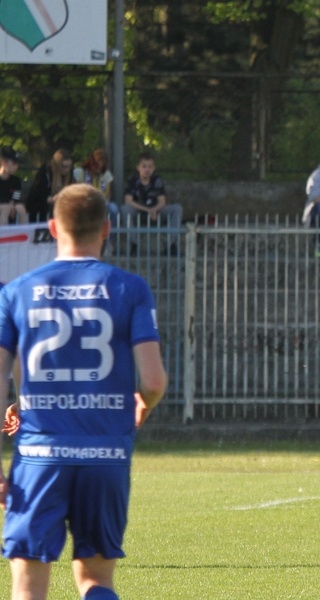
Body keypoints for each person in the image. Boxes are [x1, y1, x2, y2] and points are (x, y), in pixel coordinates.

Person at [0, 183, 167, 600]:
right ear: (107, 229)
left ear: (53, 228)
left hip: (39, 458)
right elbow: (153, 381)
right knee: (95, 581)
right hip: (105, 456)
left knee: (29, 586)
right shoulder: (130, 288)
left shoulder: (16, 292)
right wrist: (141, 405)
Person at [122, 152, 183, 254]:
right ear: (138, 167)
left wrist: (154, 209)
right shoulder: (133, 179)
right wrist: (148, 210)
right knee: (124, 209)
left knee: (177, 208)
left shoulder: (157, 180)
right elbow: (128, 201)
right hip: (139, 213)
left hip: (156, 213)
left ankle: (171, 245)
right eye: (144, 166)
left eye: (150, 167)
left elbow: (162, 202)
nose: (147, 170)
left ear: (154, 168)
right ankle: (134, 244)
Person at [25, 149, 74, 223]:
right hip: (41, 204)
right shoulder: (45, 172)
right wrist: (50, 199)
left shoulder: (69, 174)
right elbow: (35, 195)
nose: (67, 170)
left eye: (69, 167)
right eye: (64, 166)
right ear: (58, 165)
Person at [74, 149, 118, 223]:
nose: (98, 170)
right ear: (91, 163)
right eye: (97, 166)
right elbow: (76, 191)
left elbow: (108, 195)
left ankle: (110, 233)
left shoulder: (106, 174)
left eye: (101, 167)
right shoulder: (80, 172)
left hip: (100, 202)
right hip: (83, 201)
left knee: (113, 208)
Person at [0, 147, 26, 226]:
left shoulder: (16, 181)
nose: (16, 167)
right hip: (2, 206)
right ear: (3, 163)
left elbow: (16, 197)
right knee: (5, 208)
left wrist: (12, 204)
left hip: (10, 205)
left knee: (21, 208)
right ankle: (3, 235)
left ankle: (23, 234)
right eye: (14, 163)